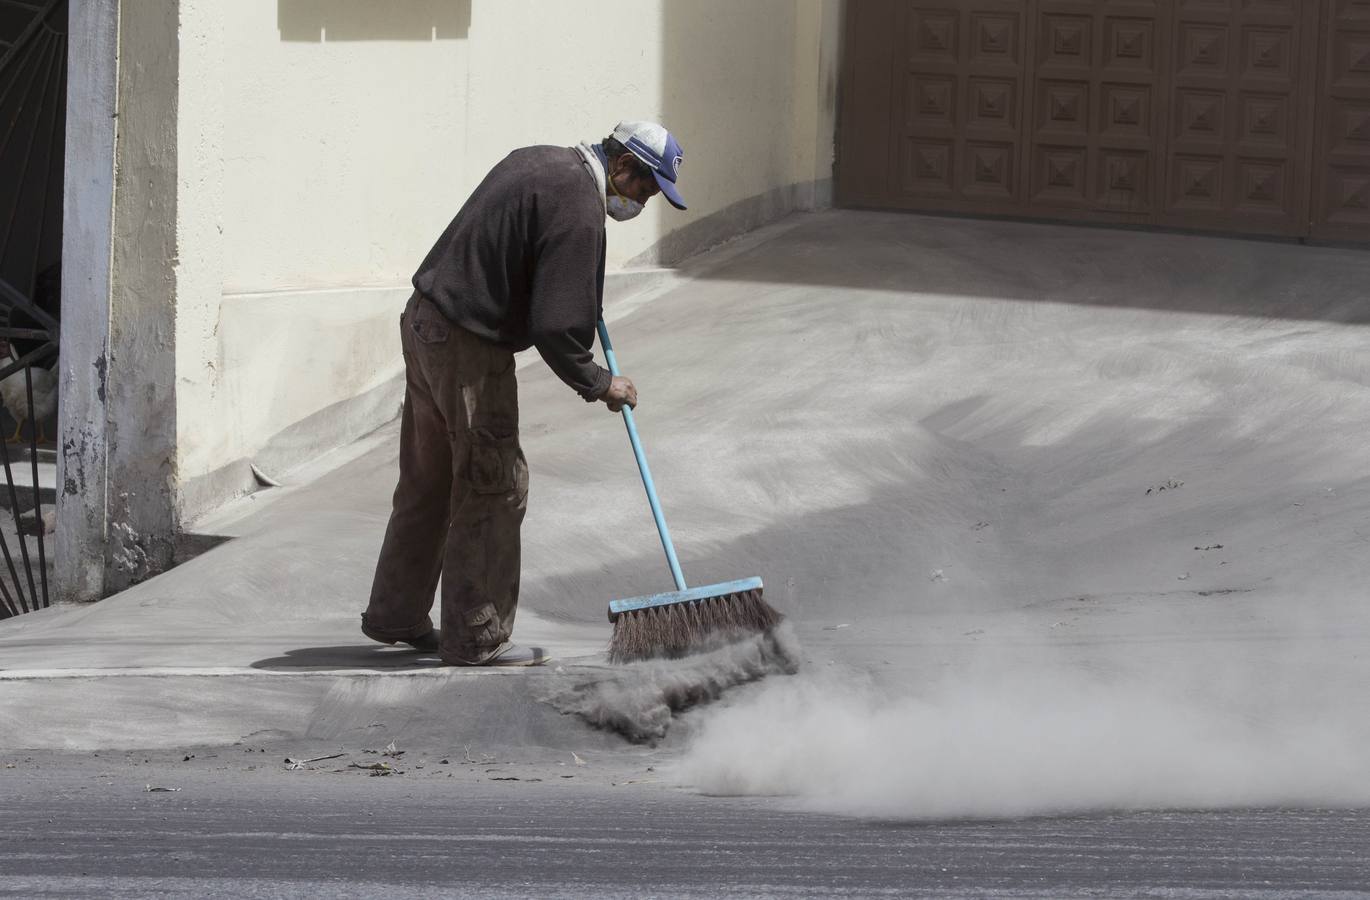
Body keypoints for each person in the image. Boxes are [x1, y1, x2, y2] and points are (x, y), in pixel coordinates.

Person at [361, 121, 687, 666]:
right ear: (623, 167)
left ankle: (396, 613)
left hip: (425, 322)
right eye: (645, 189)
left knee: (429, 479)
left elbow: (527, 262)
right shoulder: (579, 207)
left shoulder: (543, 162)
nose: (642, 202)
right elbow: (556, 326)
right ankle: (477, 636)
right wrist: (601, 382)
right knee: (495, 484)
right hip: (468, 343)